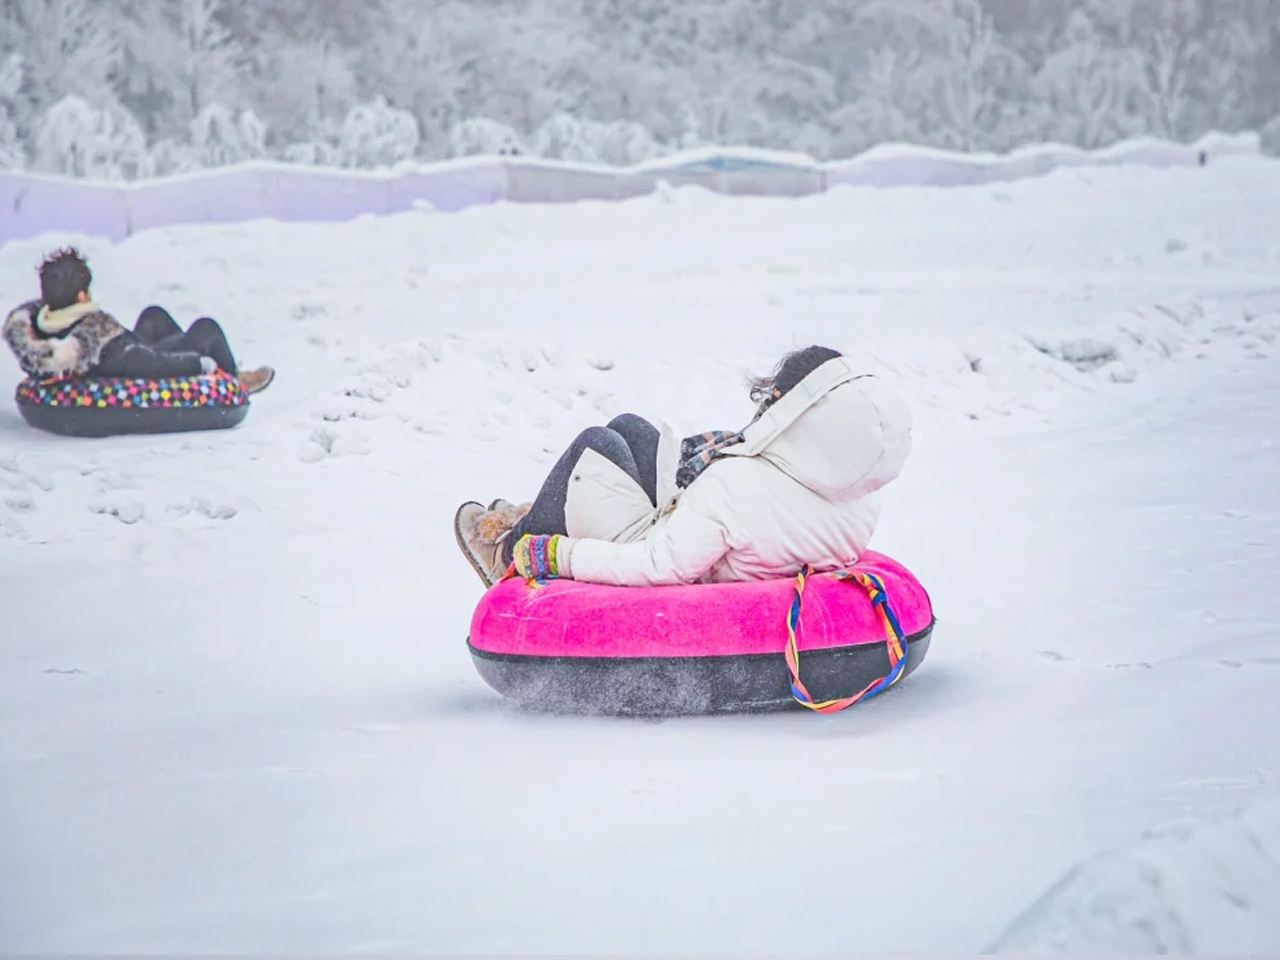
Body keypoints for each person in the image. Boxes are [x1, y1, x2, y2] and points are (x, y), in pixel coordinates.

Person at [454, 345, 912, 588]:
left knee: (598, 444)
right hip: (706, 535)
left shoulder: (738, 485)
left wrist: (559, 555)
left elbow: (658, 564)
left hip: (655, 550)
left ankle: (507, 551)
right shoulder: (859, 492)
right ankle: (547, 511)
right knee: (632, 429)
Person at [2, 247, 274, 392]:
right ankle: (232, 380)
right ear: (82, 296)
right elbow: (151, 364)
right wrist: (198, 363)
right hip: (139, 357)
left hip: (130, 348)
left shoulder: (40, 325)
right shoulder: (98, 341)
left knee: (153, 315)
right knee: (207, 329)